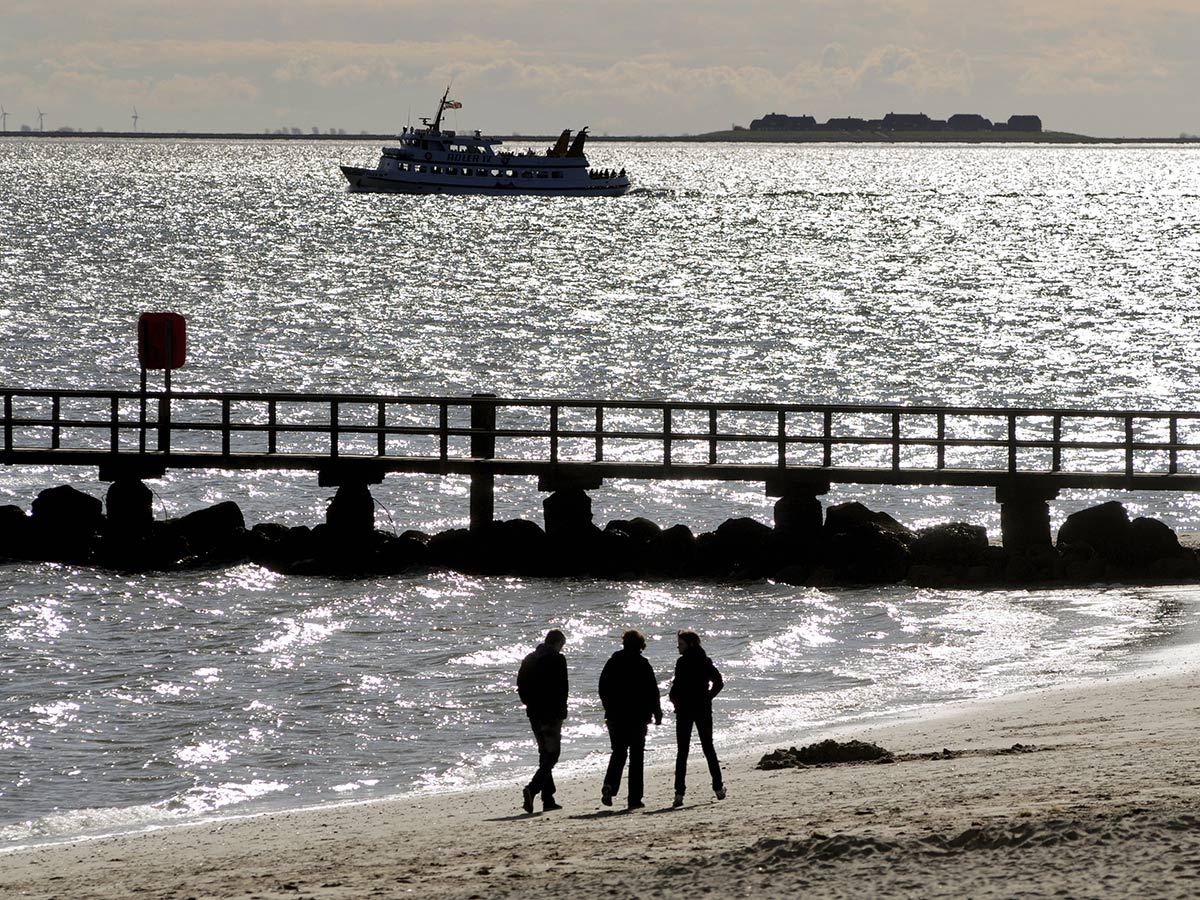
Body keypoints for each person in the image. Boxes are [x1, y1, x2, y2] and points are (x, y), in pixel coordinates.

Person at [598, 629, 662, 810]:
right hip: (638, 717)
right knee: (636, 757)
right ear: (641, 645)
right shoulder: (643, 664)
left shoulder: (613, 662)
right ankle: (634, 799)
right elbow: (652, 692)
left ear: (624, 643)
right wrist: (657, 713)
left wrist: (609, 708)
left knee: (618, 752)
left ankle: (610, 785)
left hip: (615, 716)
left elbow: (602, 687)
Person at [669, 630, 725, 807]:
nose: (678, 646)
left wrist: (674, 700)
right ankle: (718, 788)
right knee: (708, 747)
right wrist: (707, 697)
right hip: (702, 709)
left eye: (681, 643)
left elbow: (677, 686)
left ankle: (679, 793)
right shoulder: (704, 661)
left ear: (690, 644)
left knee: (682, 752)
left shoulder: (682, 662)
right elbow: (719, 682)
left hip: (685, 710)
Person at [517, 628, 568, 813]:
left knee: (544, 753)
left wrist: (529, 703)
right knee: (552, 755)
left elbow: (520, 685)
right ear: (558, 643)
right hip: (551, 713)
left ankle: (548, 798)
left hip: (534, 712)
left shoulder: (530, 658)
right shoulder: (557, 659)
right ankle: (533, 788)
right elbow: (563, 688)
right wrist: (562, 711)